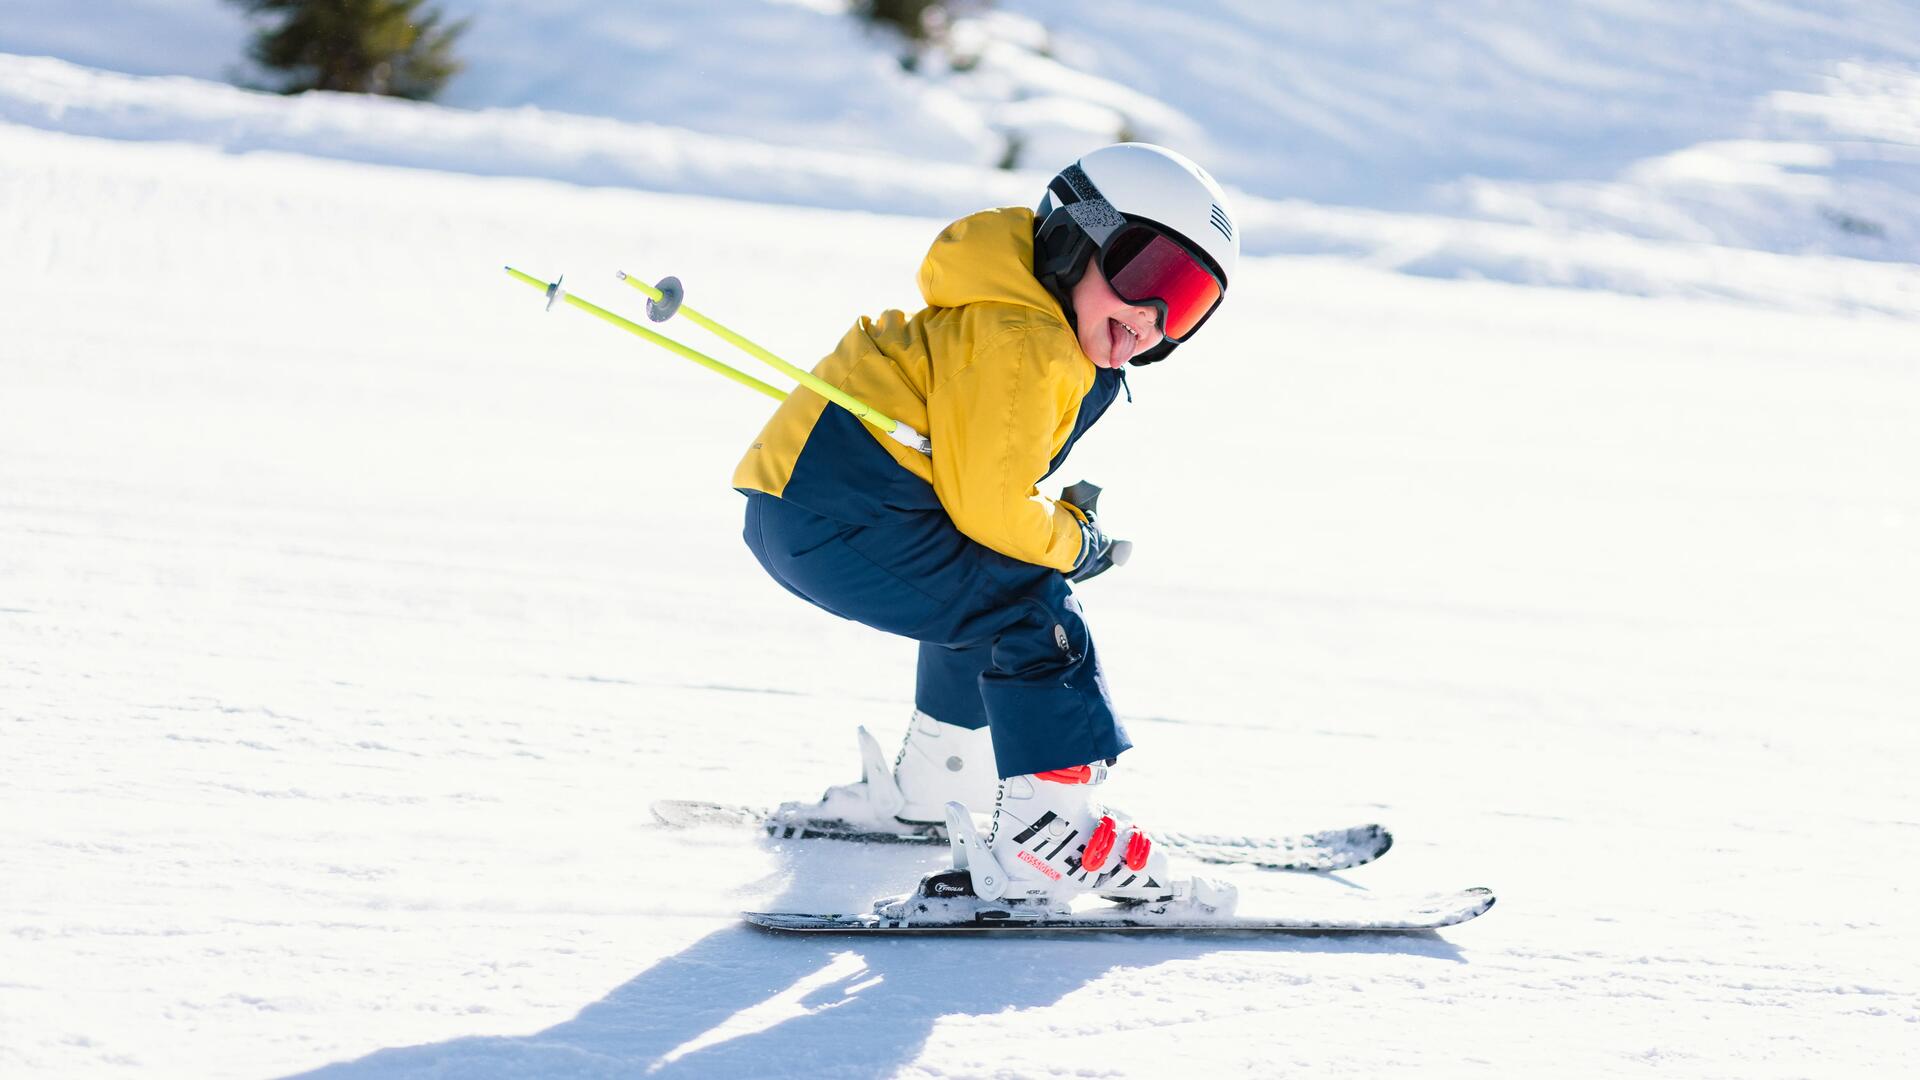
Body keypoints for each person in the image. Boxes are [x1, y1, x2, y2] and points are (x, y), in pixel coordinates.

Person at [733, 143, 1237, 900]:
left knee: (988, 586)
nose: (1153, 316)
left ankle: (937, 785)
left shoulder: (1020, 318)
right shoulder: (1024, 338)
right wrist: (1074, 541)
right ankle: (1048, 839)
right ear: (1077, 236)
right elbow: (994, 509)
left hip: (817, 506)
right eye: (1148, 275)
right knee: (1034, 609)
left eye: (1188, 304)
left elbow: (981, 497)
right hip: (841, 514)